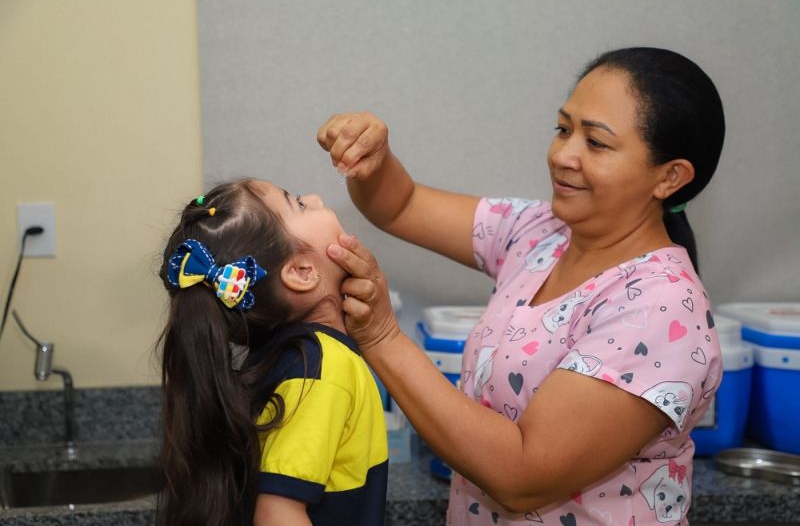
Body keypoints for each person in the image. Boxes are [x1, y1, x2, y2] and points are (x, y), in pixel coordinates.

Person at [317, 47, 725, 525]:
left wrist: (383, 338)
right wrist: (373, 157)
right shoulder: (540, 232)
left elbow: (521, 475)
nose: (563, 155)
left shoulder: (663, 306)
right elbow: (400, 205)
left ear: (670, 177)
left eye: (596, 143)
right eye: (563, 129)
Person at [156, 179, 388, 526]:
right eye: (298, 203)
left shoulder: (292, 356)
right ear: (301, 272)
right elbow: (277, 515)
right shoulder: (323, 372)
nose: (315, 196)